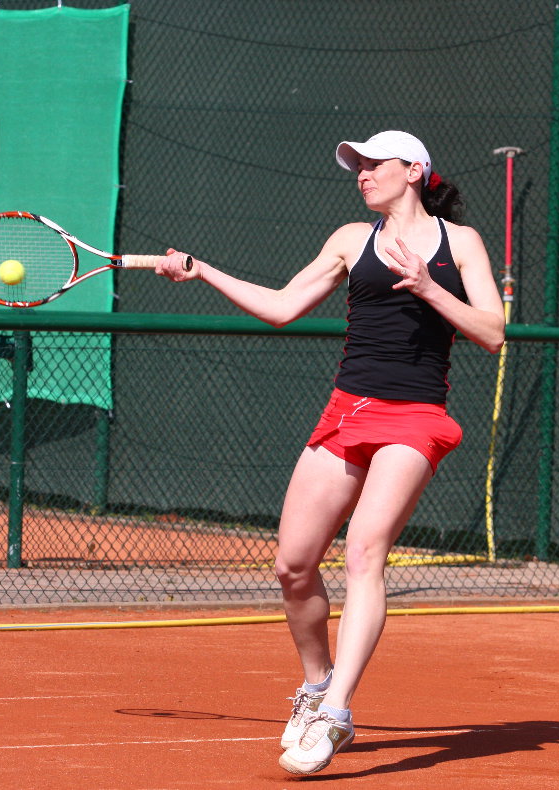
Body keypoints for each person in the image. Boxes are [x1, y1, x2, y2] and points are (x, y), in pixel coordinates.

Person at [155, 130, 505, 775]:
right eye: (359, 166)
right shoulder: (350, 239)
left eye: (375, 164)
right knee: (293, 566)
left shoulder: (463, 244)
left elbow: (492, 332)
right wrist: (202, 270)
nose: (363, 174)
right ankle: (317, 685)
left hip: (415, 415)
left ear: (414, 170)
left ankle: (337, 714)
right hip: (346, 411)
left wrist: (429, 287)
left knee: (366, 552)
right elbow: (283, 307)